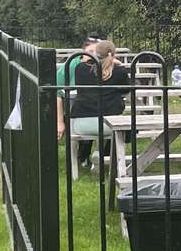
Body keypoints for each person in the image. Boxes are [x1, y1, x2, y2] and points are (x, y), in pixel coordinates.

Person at [57, 39, 132, 170]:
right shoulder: (119, 71)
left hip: (82, 124)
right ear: (112, 54)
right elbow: (126, 90)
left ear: (95, 54)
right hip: (109, 124)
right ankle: (104, 156)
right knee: (123, 125)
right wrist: (117, 64)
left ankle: (90, 160)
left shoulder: (80, 69)